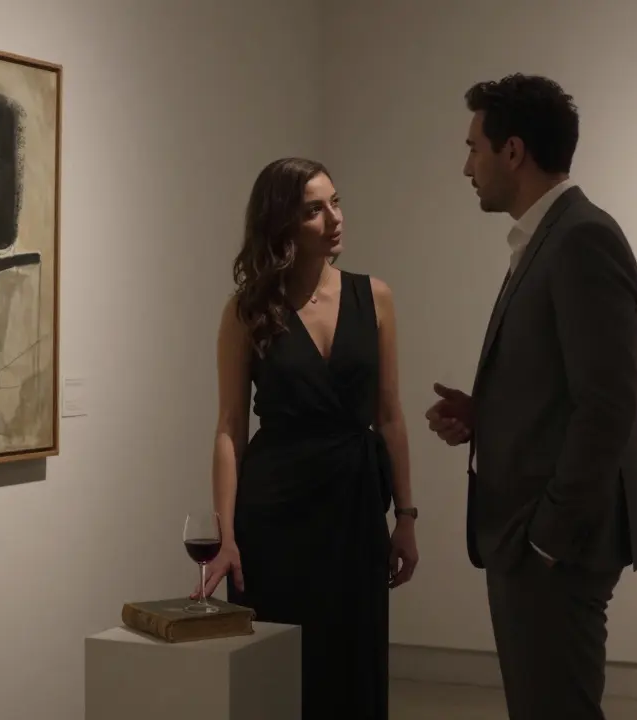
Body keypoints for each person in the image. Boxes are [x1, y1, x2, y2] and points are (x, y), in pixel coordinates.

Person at [425, 74, 637, 720]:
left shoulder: (581, 238)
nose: (465, 167)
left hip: (553, 543)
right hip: (531, 535)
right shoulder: (548, 238)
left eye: (473, 148)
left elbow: (606, 407)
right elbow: (564, 387)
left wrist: (547, 539)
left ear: (513, 151)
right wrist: (485, 415)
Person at [195, 157, 418, 720]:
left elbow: (391, 415)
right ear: (282, 223)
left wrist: (407, 516)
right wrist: (226, 536)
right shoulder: (248, 311)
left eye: (336, 202)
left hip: (354, 507)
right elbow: (230, 427)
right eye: (314, 210)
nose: (334, 219)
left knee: (351, 662)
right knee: (277, 670)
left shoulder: (375, 297)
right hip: (274, 513)